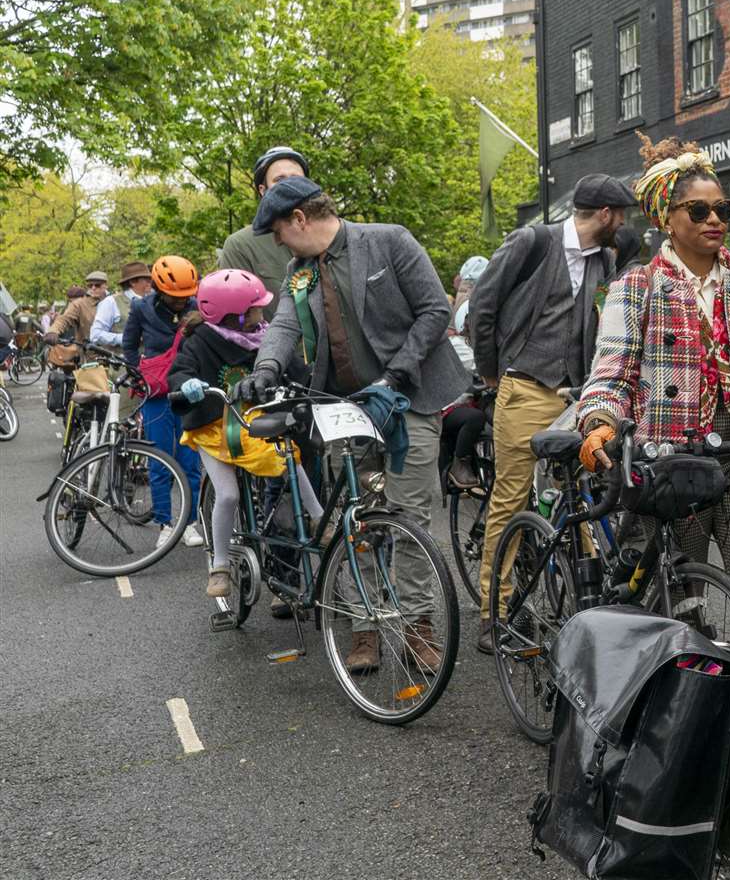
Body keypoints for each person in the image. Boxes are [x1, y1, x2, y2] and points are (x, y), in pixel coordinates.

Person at [236, 176, 470, 673]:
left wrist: (394, 374)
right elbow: (283, 326)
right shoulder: (298, 272)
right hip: (343, 406)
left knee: (408, 519)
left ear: (300, 219)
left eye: (279, 230)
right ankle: (364, 624)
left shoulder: (388, 240)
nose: (277, 242)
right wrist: (264, 372)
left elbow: (434, 311)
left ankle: (417, 626)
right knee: (354, 518)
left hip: (411, 399)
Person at [576, 137, 730, 644]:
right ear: (665, 219)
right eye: (698, 209)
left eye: (723, 209)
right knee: (679, 602)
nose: (714, 219)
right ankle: (684, 706)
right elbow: (612, 372)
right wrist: (601, 422)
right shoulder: (637, 287)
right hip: (672, 467)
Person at [465, 172, 635, 652]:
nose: (623, 223)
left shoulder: (604, 258)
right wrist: (493, 373)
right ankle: (492, 613)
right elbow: (483, 306)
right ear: (604, 214)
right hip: (524, 386)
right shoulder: (532, 241)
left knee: (579, 494)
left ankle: (586, 601)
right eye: (619, 214)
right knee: (511, 498)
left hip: (573, 396)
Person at [172, 270, 327, 599]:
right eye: (256, 308)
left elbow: (294, 370)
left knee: (289, 459)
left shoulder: (264, 336)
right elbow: (180, 370)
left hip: (252, 425)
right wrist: (186, 384)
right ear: (234, 315)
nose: (262, 313)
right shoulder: (199, 340)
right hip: (211, 430)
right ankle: (221, 564)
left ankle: (318, 520)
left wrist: (316, 382)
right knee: (227, 495)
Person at [123, 256, 205, 542]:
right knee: (159, 460)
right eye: (176, 296)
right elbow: (130, 344)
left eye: (187, 295)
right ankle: (165, 524)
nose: (183, 301)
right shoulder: (140, 308)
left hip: (189, 390)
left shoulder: (197, 307)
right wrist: (138, 375)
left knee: (190, 461)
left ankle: (191, 522)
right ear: (159, 289)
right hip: (157, 394)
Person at [217, 146, 308, 318]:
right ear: (263, 190)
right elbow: (236, 322)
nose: (289, 186)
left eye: (296, 178)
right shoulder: (240, 245)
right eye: (279, 180)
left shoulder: (327, 236)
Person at [44, 273, 108, 374]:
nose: (93, 288)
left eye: (97, 285)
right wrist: (53, 331)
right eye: (90, 285)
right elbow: (64, 319)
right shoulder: (80, 305)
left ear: (105, 285)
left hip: (116, 357)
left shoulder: (113, 302)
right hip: (91, 359)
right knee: (92, 387)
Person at [90, 262, 151, 348]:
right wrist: (127, 338)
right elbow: (95, 335)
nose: (150, 282)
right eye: (146, 279)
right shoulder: (111, 302)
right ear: (133, 282)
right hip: (122, 359)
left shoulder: (152, 301)